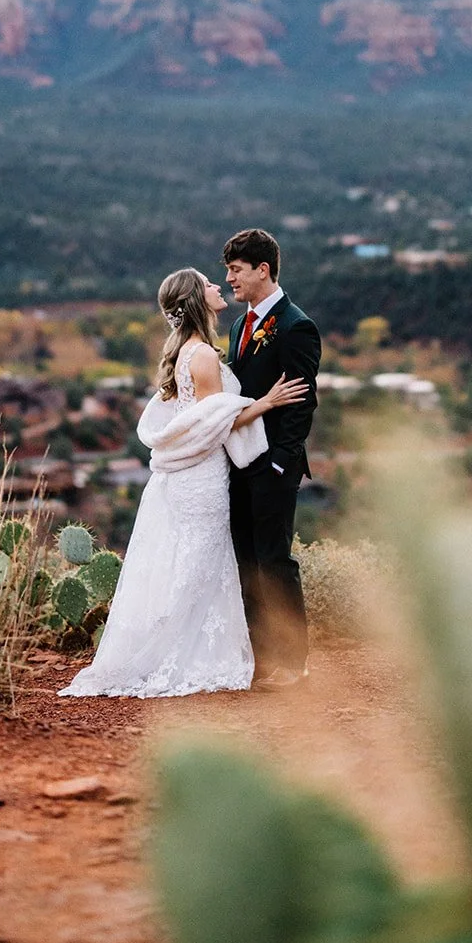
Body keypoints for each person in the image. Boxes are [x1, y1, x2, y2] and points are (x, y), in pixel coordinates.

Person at [59, 267, 307, 699]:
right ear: (196, 300)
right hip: (205, 475)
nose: (218, 286)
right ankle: (188, 654)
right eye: (210, 284)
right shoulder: (206, 356)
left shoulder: (186, 352)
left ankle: (175, 647)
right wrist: (266, 402)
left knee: (185, 561)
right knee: (201, 564)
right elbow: (218, 422)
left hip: (186, 476)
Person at [224, 227, 321, 691]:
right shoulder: (239, 326)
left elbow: (302, 403)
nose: (229, 280)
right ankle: (261, 659)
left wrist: (281, 463)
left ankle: (294, 663)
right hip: (238, 465)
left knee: (274, 562)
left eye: (236, 270)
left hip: (273, 467)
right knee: (246, 562)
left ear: (263, 270)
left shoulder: (296, 325)